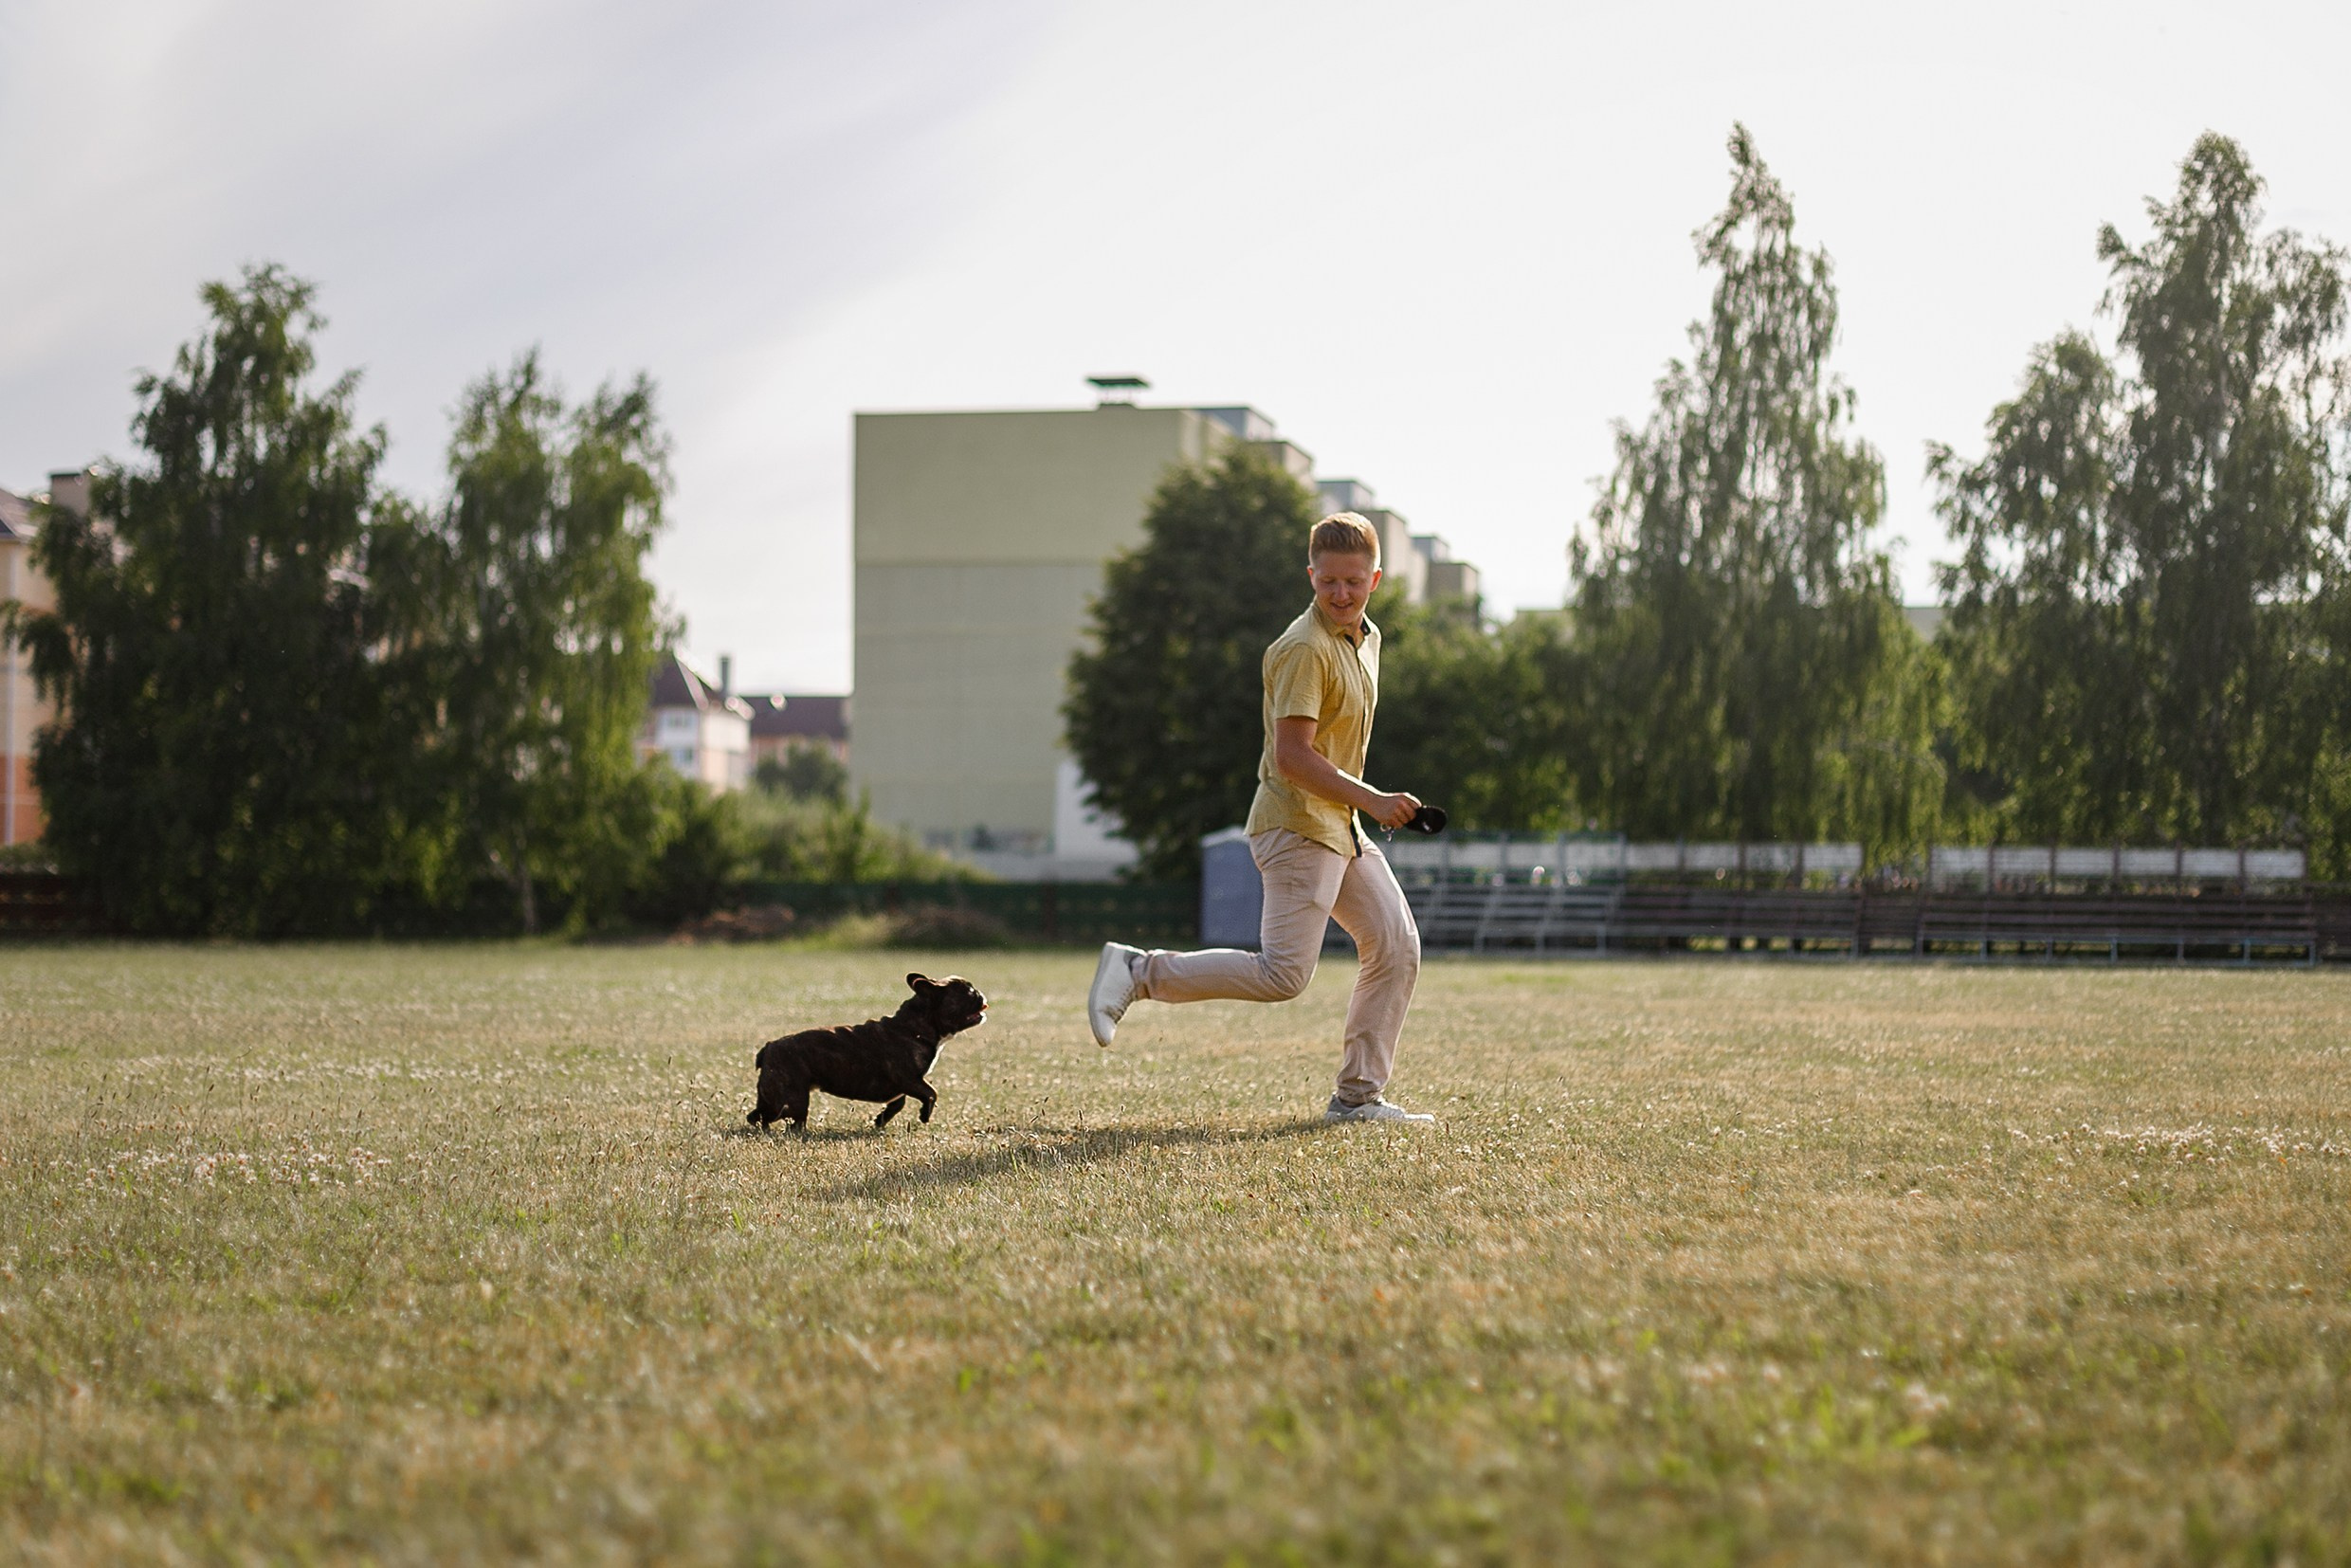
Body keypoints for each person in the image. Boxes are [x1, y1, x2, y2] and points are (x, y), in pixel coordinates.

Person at [1085, 511, 1433, 1124]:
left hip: (1340, 827)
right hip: (1296, 824)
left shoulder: (1366, 638)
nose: (1341, 594)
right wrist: (1374, 799)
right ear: (1311, 576)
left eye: (1353, 581)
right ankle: (1138, 971)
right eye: (1328, 582)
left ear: (1375, 579)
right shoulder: (1304, 649)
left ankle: (1357, 1098)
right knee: (1284, 975)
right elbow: (1293, 758)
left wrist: (1359, 808)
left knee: (1397, 947)